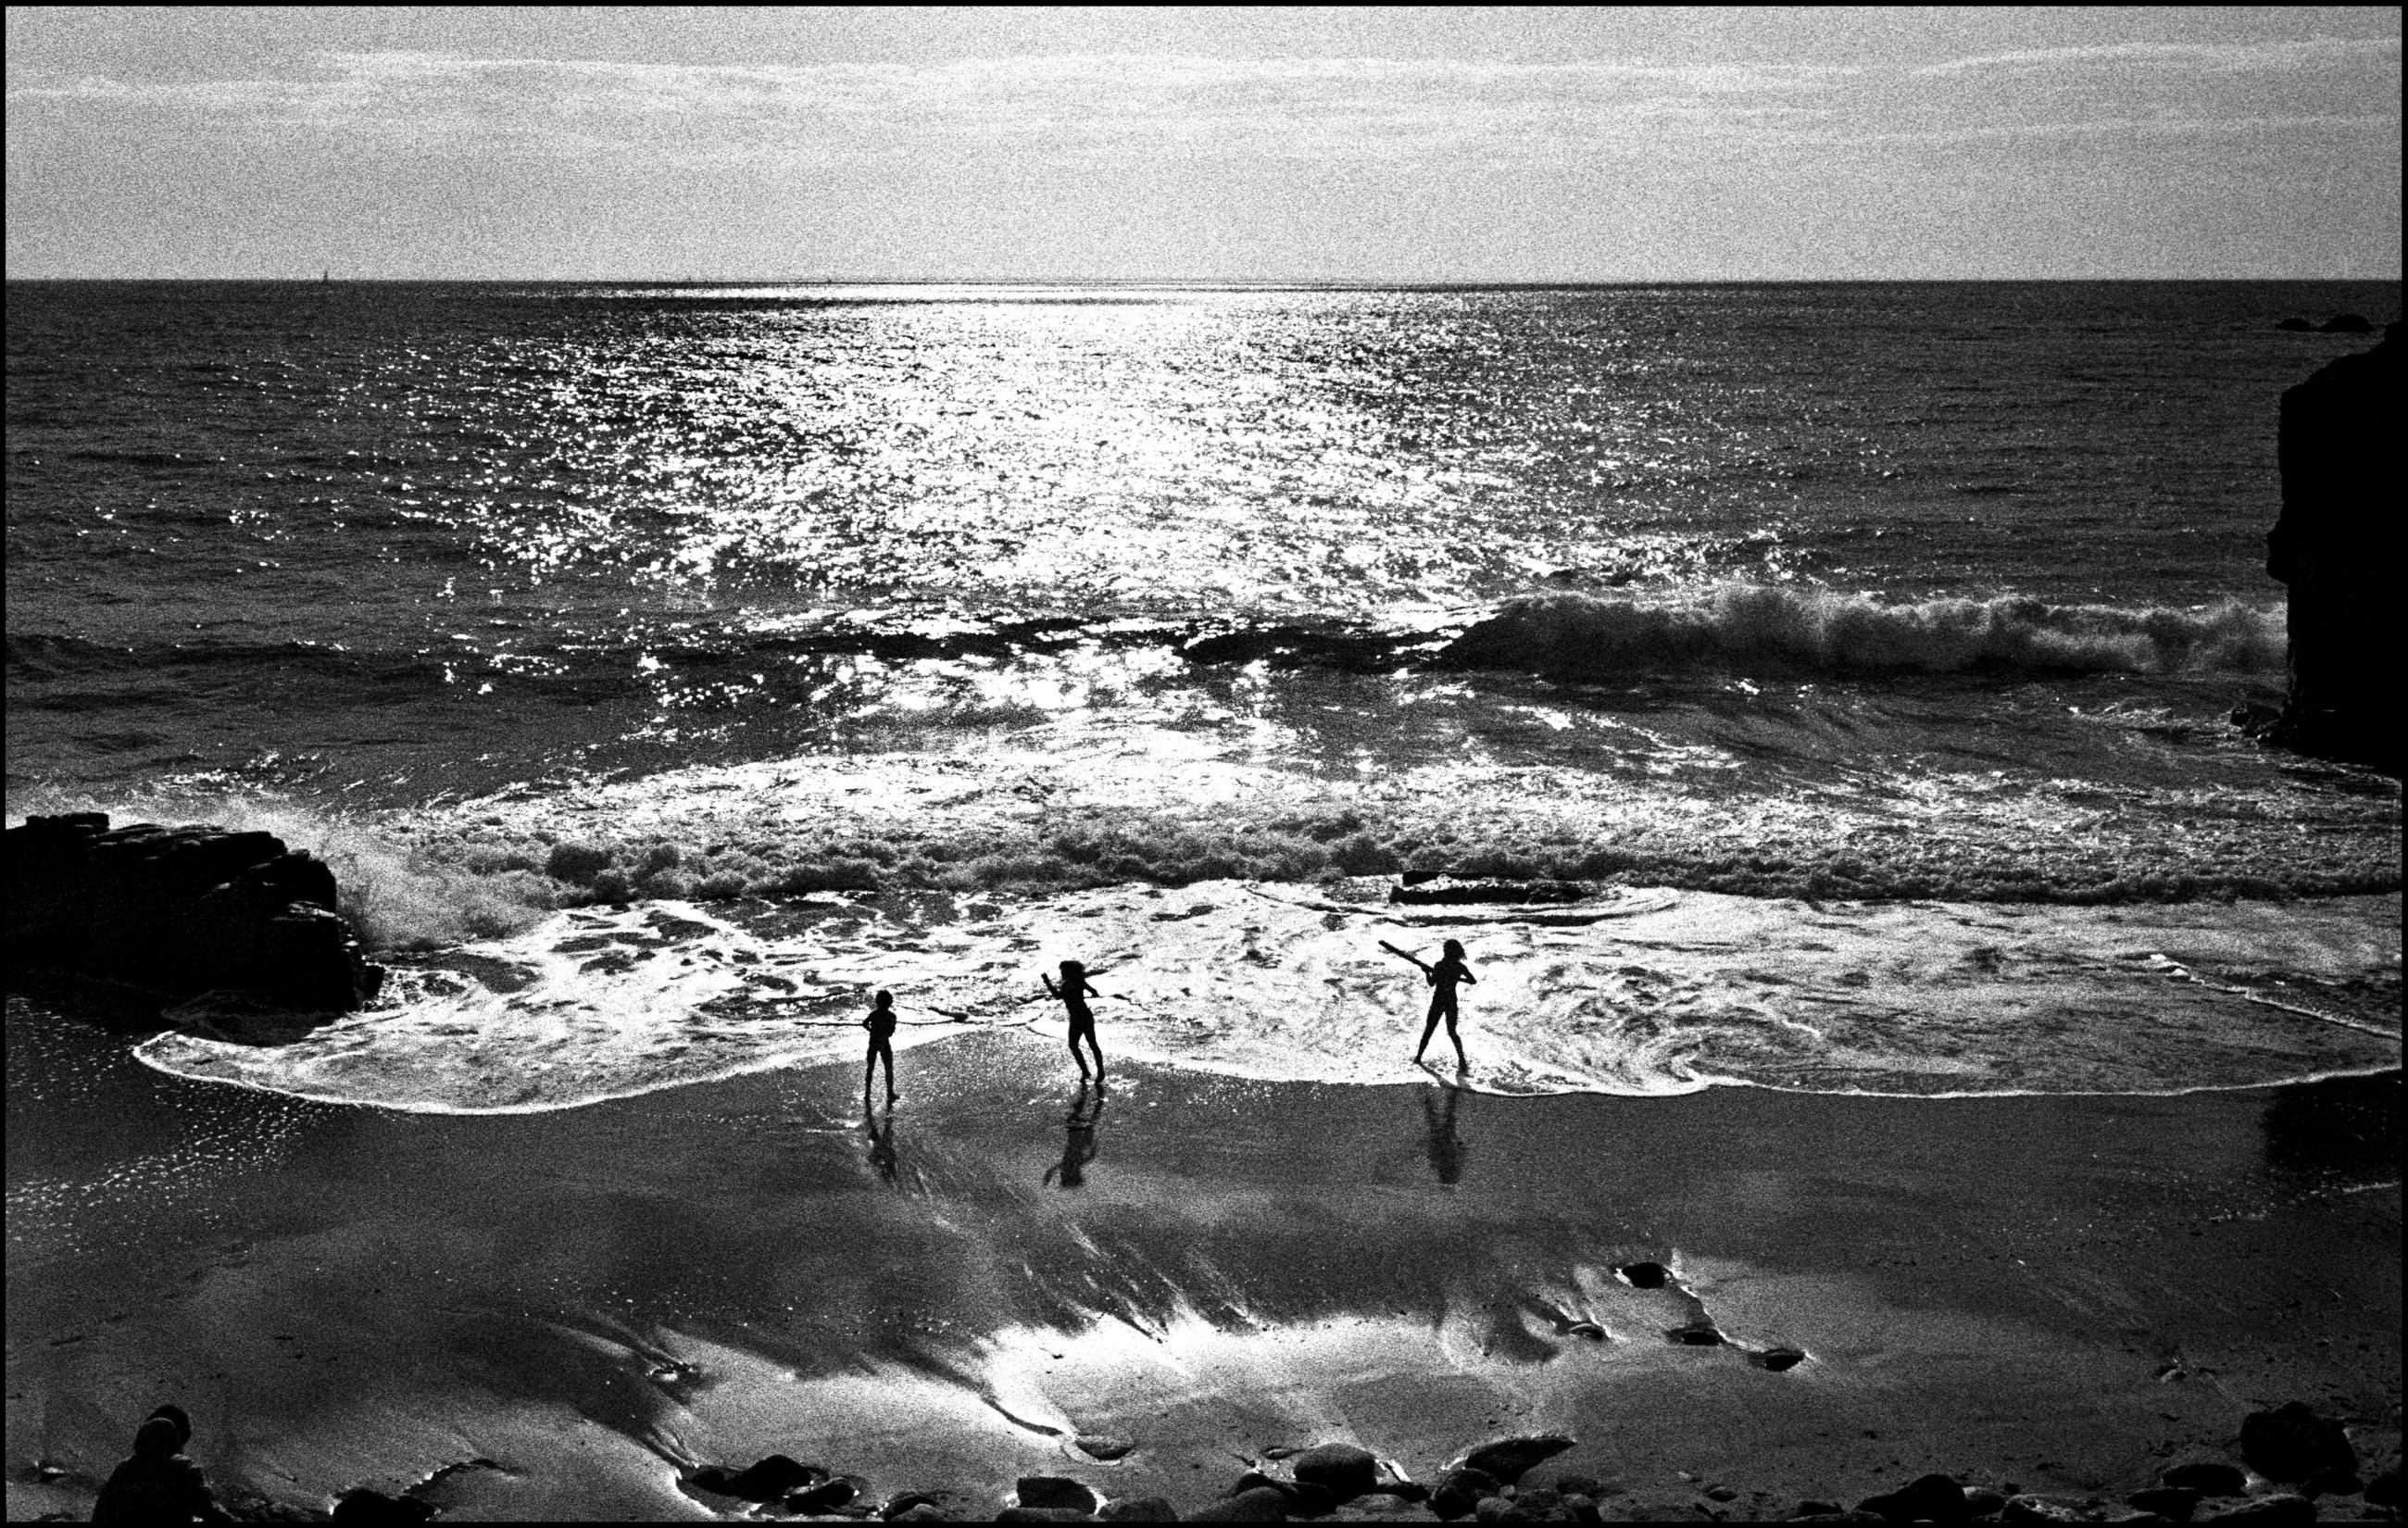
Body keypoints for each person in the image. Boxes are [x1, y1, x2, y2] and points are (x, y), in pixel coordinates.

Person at [91, 1406, 232, 1523]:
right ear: (176, 1438)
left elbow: (100, 1513)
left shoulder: (123, 1468)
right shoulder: (182, 1466)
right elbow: (209, 1510)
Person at [1386, 936, 1475, 1071]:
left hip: (1439, 1001)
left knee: (1430, 1030)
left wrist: (1428, 973)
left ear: (1449, 952)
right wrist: (1430, 972)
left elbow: (1431, 983)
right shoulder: (1459, 967)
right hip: (1450, 1001)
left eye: (1446, 950)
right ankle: (1462, 1060)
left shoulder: (1439, 965)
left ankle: (1419, 1057)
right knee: (1450, 1031)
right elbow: (1472, 981)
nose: (1444, 952)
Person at [1040, 959, 1107, 1084]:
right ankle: (1100, 1071)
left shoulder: (1067, 984)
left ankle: (1086, 1071)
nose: (1062, 973)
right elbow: (1094, 991)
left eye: (1063, 971)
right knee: (1092, 1043)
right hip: (1086, 1015)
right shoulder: (1080, 981)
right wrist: (1093, 995)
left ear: (1069, 972)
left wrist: (1047, 982)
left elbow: (1058, 995)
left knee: (1073, 1044)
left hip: (1077, 1018)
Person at [860, 989, 900, 1105]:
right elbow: (891, 1032)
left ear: (877, 1002)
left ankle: (867, 1094)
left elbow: (864, 1023)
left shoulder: (874, 1014)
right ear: (890, 1002)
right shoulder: (891, 1016)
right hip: (885, 1043)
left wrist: (871, 1030)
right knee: (888, 1067)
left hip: (873, 1042)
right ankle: (890, 1092)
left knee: (870, 1068)